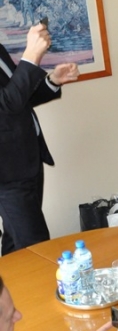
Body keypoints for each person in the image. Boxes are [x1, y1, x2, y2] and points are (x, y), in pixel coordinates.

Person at [0, 23, 80, 255]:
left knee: (17, 245)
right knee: (36, 248)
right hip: (7, 173)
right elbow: (5, 106)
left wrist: (52, 80)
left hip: (28, 158)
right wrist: (31, 56)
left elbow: (18, 97)